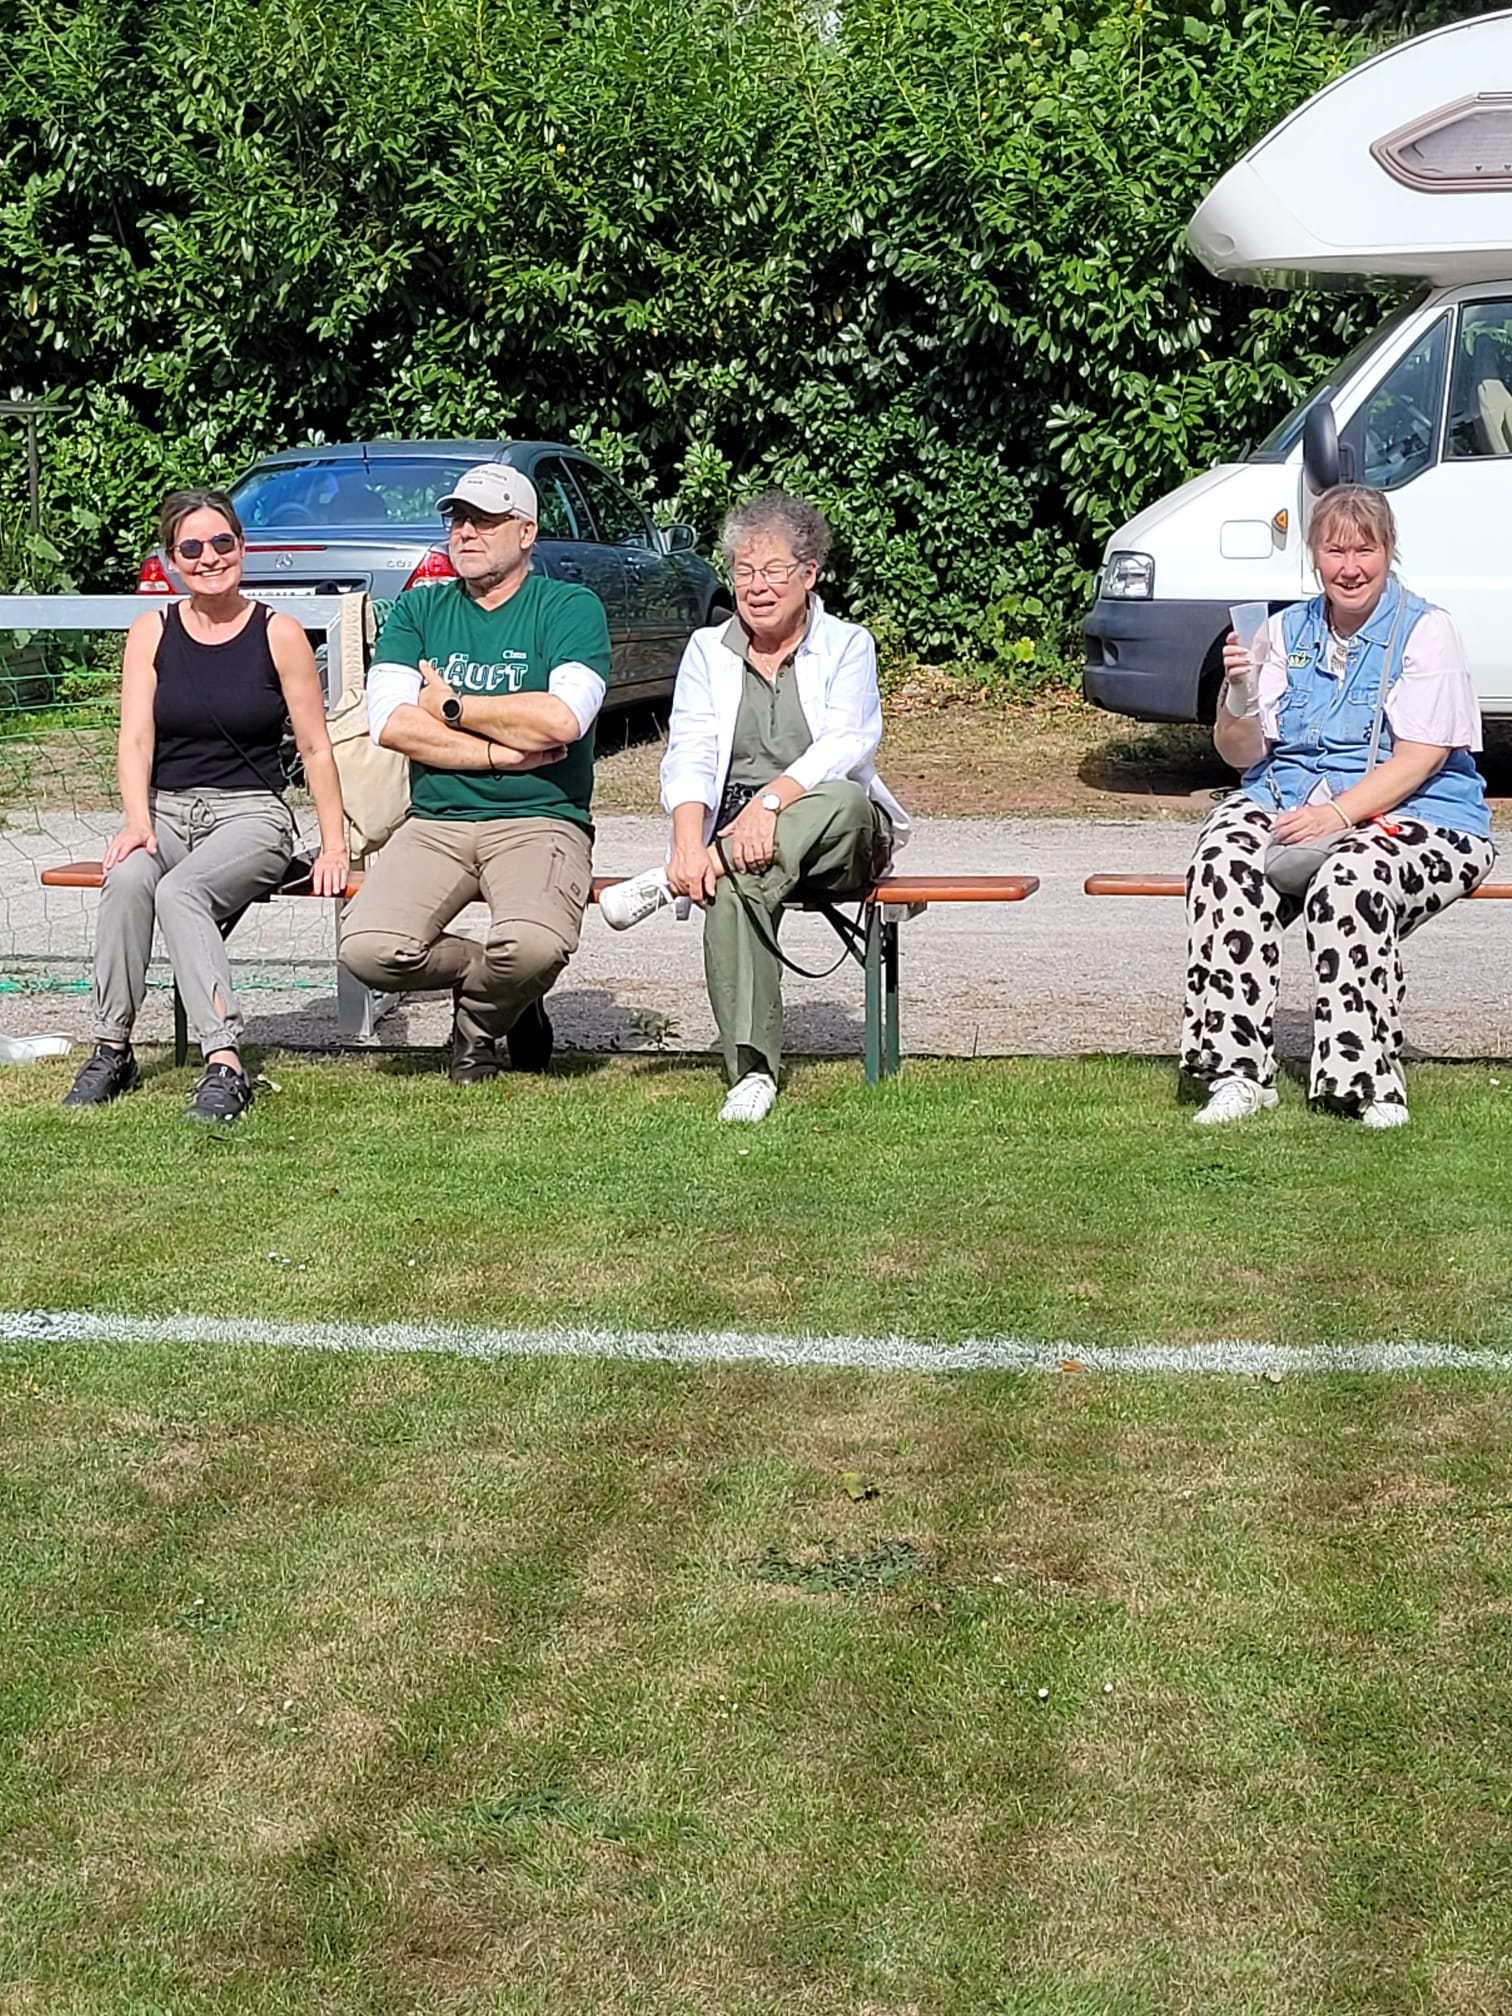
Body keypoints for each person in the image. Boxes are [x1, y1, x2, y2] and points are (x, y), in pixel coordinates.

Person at [1182, 483, 1493, 1128]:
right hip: (1289, 798)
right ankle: (1237, 1073)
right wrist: (1238, 693)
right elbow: (1240, 753)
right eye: (1335, 551)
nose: (1350, 568)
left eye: (1364, 550)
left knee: (1351, 879)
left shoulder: (1426, 631)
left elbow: (1421, 758)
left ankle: (1366, 1080)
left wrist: (1337, 816)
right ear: (1314, 557)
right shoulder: (1281, 631)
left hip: (1423, 813)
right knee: (1222, 861)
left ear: (1388, 551)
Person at [601, 492, 909, 1121]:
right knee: (738, 883)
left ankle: (694, 871)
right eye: (744, 572)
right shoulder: (708, 649)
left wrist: (767, 806)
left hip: (835, 832)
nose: (756, 587)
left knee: (842, 798)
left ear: (808, 574)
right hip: (742, 846)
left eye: (772, 571)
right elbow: (690, 752)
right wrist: (688, 845)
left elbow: (846, 744)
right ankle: (753, 1073)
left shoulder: (848, 644)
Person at [62, 488, 348, 1122]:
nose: (208, 557)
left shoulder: (279, 633)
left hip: (251, 816)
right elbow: (135, 737)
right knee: (128, 877)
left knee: (180, 892)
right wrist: (138, 821)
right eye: (190, 547)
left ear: (242, 548)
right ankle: (112, 1047)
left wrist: (334, 846)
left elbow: (315, 747)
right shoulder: (151, 632)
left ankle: (224, 1062)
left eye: (221, 542)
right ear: (171, 561)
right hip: (165, 809)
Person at [338, 463, 611, 1081]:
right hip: (435, 820)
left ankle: (479, 1022)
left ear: (526, 532)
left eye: (485, 520)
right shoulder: (419, 608)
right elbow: (392, 724)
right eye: (458, 519)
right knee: (369, 949)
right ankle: (494, 985)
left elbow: (562, 720)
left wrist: (453, 706)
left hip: (541, 817)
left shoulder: (570, 607)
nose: (465, 532)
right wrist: (499, 752)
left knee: (535, 947)